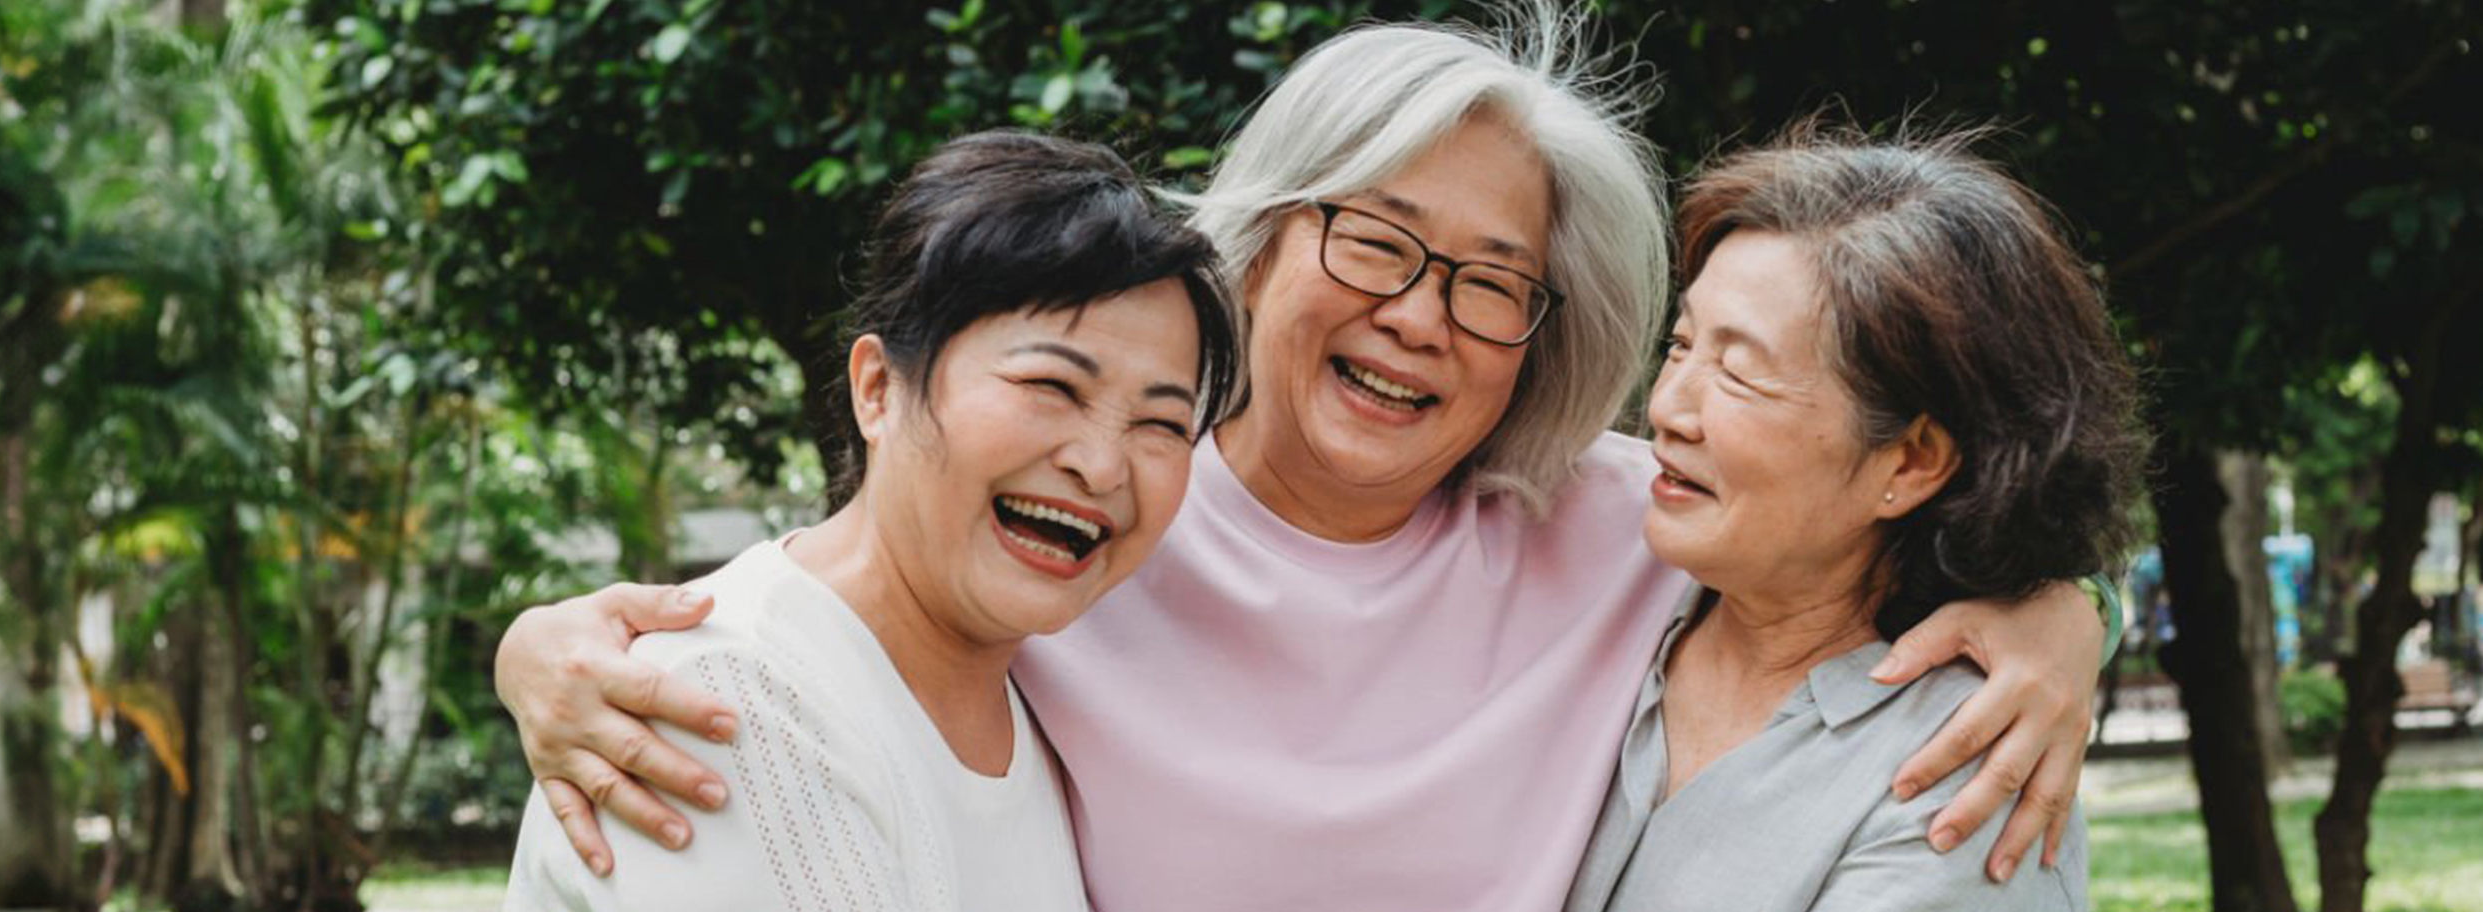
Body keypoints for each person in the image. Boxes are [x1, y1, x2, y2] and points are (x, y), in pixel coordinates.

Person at [485, 12, 2110, 912]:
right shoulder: (1097, 509)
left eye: (1489, 282)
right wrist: (537, 649)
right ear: (1261, 234)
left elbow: (1872, 523)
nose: (1423, 316)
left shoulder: (1614, 519)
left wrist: (2063, 614)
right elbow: (850, 600)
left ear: (1538, 336)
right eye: (1378, 241)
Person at [507, 131, 1243, 912]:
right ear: (877, 390)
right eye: (1051, 386)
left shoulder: (1047, 705)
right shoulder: (720, 703)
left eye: (1162, 424)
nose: (1102, 466)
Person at [1561, 130, 2124, 912]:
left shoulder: (1955, 783)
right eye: (1682, 345)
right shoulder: (1589, 569)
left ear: (1911, 461)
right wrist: (2090, 603)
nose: (1666, 407)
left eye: (1740, 371)